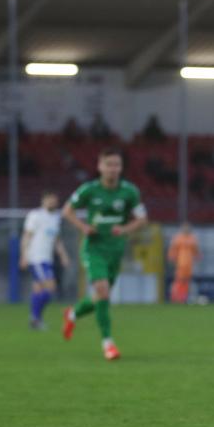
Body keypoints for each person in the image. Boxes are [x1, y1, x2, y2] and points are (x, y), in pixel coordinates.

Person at [61, 148, 148, 361]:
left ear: (121, 167)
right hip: (94, 248)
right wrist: (83, 227)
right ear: (100, 166)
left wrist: (126, 229)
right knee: (102, 291)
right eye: (108, 164)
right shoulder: (89, 190)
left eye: (116, 165)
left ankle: (72, 314)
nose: (112, 169)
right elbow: (67, 210)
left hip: (115, 250)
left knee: (100, 295)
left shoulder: (129, 191)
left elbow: (142, 218)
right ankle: (108, 344)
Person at [20, 191, 70, 330]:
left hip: (46, 258)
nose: (52, 202)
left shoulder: (55, 217)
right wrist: (23, 255)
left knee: (38, 290)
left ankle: (35, 320)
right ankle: (35, 318)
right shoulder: (35, 215)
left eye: (54, 200)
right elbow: (26, 236)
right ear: (43, 201)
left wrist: (63, 255)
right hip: (36, 257)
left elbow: (56, 239)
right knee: (51, 287)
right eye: (49, 200)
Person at [167, 223, 201, 303]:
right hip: (180, 263)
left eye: (188, 228)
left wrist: (198, 257)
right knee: (179, 281)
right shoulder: (178, 238)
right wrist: (171, 259)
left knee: (186, 281)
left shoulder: (192, 239)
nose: (186, 229)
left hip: (189, 264)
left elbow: (196, 251)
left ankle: (183, 297)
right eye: (185, 228)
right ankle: (175, 297)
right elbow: (173, 250)